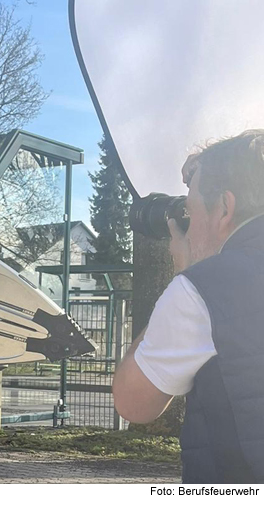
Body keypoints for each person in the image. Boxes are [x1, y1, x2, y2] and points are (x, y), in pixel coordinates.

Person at [112, 130, 264, 483]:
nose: (188, 229)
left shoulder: (207, 287)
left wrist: (188, 274)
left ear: (225, 207)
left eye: (190, 212)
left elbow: (133, 402)